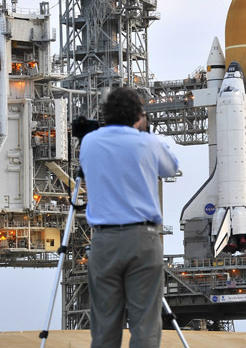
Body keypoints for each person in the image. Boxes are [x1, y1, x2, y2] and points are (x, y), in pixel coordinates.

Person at [80, 87, 179, 348]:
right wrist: (147, 132)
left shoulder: (89, 142)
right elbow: (171, 165)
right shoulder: (146, 142)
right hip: (142, 239)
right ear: (139, 115)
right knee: (145, 323)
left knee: (104, 326)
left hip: (104, 241)